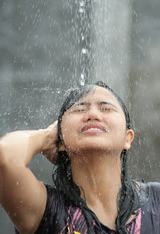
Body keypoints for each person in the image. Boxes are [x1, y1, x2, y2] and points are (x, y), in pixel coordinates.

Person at [0, 81, 160, 234]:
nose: (93, 114)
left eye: (106, 108)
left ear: (127, 138)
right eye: (79, 109)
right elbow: (5, 156)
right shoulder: (46, 212)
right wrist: (47, 137)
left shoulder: (157, 202)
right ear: (60, 138)